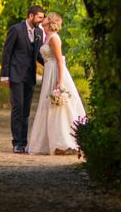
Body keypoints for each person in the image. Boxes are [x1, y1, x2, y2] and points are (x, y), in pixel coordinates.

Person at [27, 12, 85, 155]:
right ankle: (52, 142)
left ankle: (64, 141)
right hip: (49, 71)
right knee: (50, 106)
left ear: (50, 21)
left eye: (45, 17)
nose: (43, 19)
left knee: (60, 107)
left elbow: (60, 61)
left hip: (56, 72)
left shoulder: (54, 38)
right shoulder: (46, 37)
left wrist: (59, 82)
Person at [0, 5, 45, 153]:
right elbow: (7, 52)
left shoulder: (39, 32)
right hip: (16, 75)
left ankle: (24, 143)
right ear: (30, 16)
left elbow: (37, 54)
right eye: (39, 17)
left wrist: (52, 64)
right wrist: (5, 75)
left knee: (26, 110)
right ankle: (17, 143)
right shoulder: (16, 29)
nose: (41, 20)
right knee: (18, 108)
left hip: (30, 77)